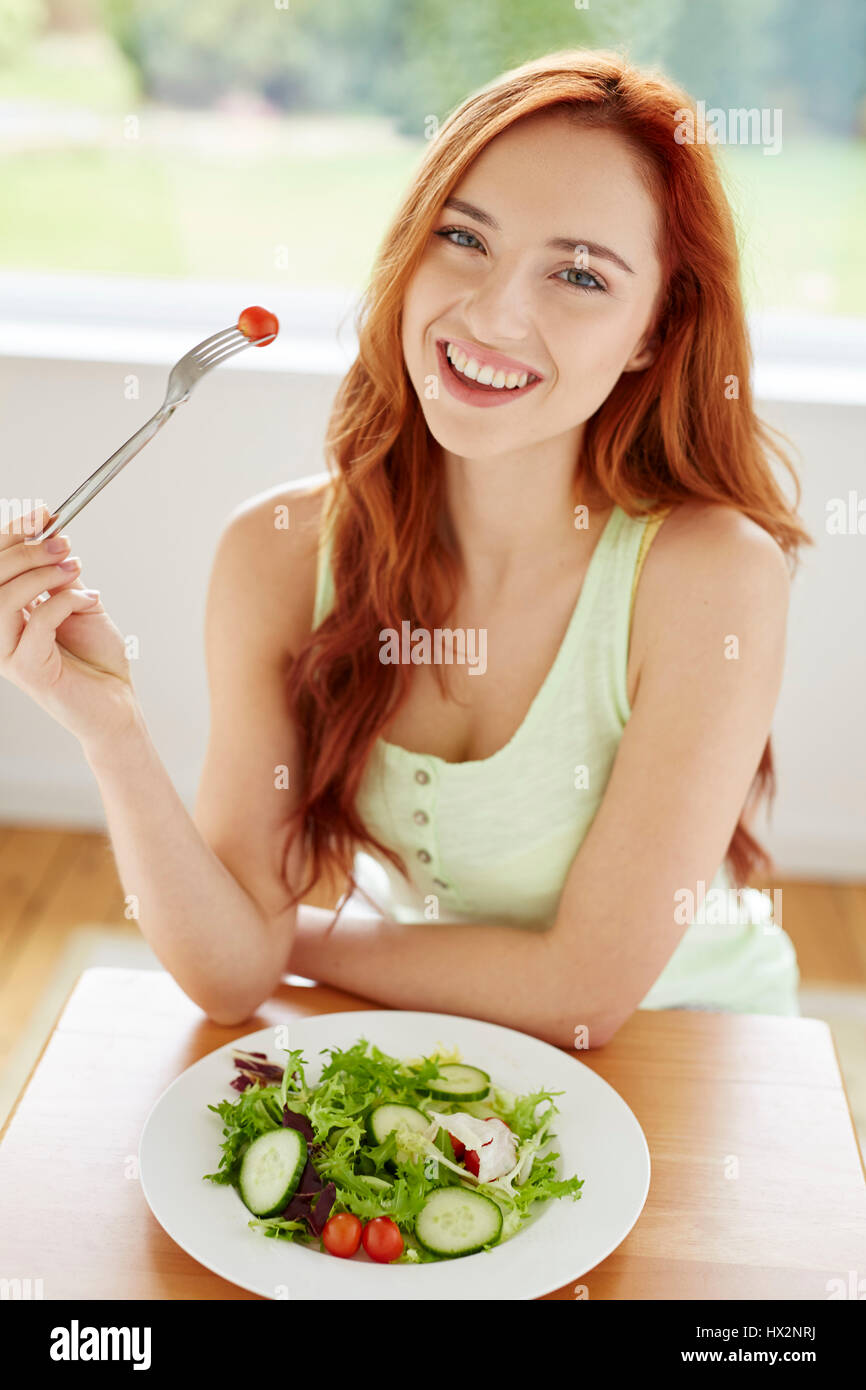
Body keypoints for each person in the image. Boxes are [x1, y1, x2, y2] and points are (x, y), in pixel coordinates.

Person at [0, 50, 812, 1047]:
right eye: (462, 238)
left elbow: (583, 993)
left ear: (653, 331)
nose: (491, 313)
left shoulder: (709, 577)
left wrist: (294, 938)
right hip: (451, 1032)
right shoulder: (279, 554)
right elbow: (224, 979)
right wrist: (109, 728)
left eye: (576, 273)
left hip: (691, 1044)